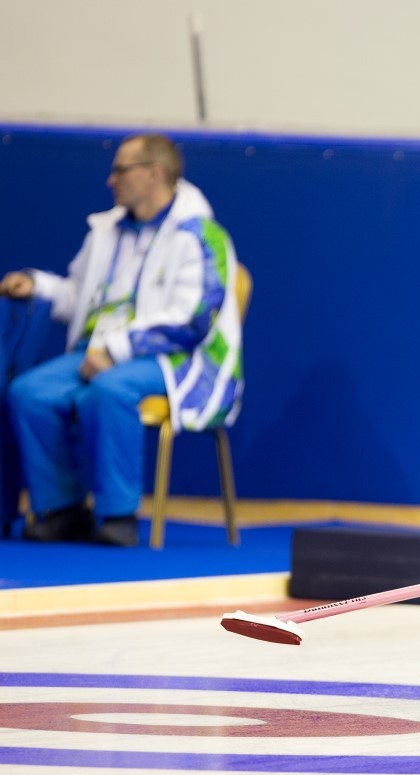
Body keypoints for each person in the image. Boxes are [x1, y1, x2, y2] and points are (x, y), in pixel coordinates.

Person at [0, 132, 244, 547]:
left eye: (120, 170)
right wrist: (38, 286)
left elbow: (194, 320)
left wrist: (116, 350)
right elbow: (78, 296)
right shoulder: (105, 231)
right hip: (95, 351)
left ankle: (118, 514)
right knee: (29, 392)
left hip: (178, 360)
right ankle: (62, 509)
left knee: (111, 389)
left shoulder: (203, 236)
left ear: (153, 174)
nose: (110, 180)